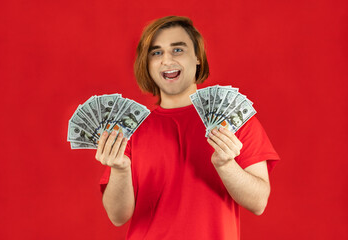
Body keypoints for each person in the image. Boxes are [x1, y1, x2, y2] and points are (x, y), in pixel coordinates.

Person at [96, 16, 280, 240]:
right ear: (147, 64)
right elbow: (117, 216)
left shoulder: (235, 120)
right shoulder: (129, 130)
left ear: (198, 58)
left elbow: (258, 202)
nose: (166, 60)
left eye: (177, 50)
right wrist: (121, 170)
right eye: (156, 52)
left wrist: (226, 166)